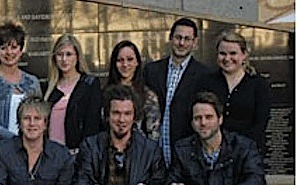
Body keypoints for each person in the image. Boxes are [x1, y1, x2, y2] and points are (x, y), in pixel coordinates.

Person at [167, 91, 265, 185]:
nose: (203, 123)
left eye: (209, 117)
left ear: (220, 119)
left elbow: (256, 179)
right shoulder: (182, 149)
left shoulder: (243, 146)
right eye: (197, 118)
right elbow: (172, 178)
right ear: (192, 123)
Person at [73, 84, 166, 185]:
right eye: (116, 113)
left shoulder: (150, 150)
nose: (122, 120)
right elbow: (79, 181)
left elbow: (160, 182)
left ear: (134, 116)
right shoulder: (90, 146)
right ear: (107, 115)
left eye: (127, 113)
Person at [145, 17, 211, 167]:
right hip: (154, 152)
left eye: (187, 39)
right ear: (170, 38)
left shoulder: (204, 75)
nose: (182, 43)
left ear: (195, 43)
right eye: (178, 37)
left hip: (187, 156)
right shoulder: (152, 71)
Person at [0, 96, 73, 185]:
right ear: (19, 123)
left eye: (37, 118)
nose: (32, 123)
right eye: (26, 118)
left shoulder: (61, 154)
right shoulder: (3, 150)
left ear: (45, 124)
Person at [198, 30, 271, 156]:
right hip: (212, 154)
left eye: (233, 53)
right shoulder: (206, 83)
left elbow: (260, 123)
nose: (227, 59)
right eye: (222, 53)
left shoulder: (259, 85)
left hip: (247, 154)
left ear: (244, 55)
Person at [0, 22, 42, 154]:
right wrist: (13, 137)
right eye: (3, 48)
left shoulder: (33, 82)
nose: (9, 52)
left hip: (27, 151)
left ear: (21, 50)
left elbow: (41, 116)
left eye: (14, 47)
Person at [43, 34, 103, 153]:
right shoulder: (49, 87)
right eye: (60, 54)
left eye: (69, 54)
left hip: (76, 155)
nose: (64, 59)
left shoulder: (89, 84)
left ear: (77, 56)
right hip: (50, 155)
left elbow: (92, 125)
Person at [106, 40, 160, 142]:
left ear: (137, 62)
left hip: (140, 153)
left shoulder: (148, 96)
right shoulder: (104, 93)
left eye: (130, 59)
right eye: (120, 60)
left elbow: (153, 133)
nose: (125, 64)